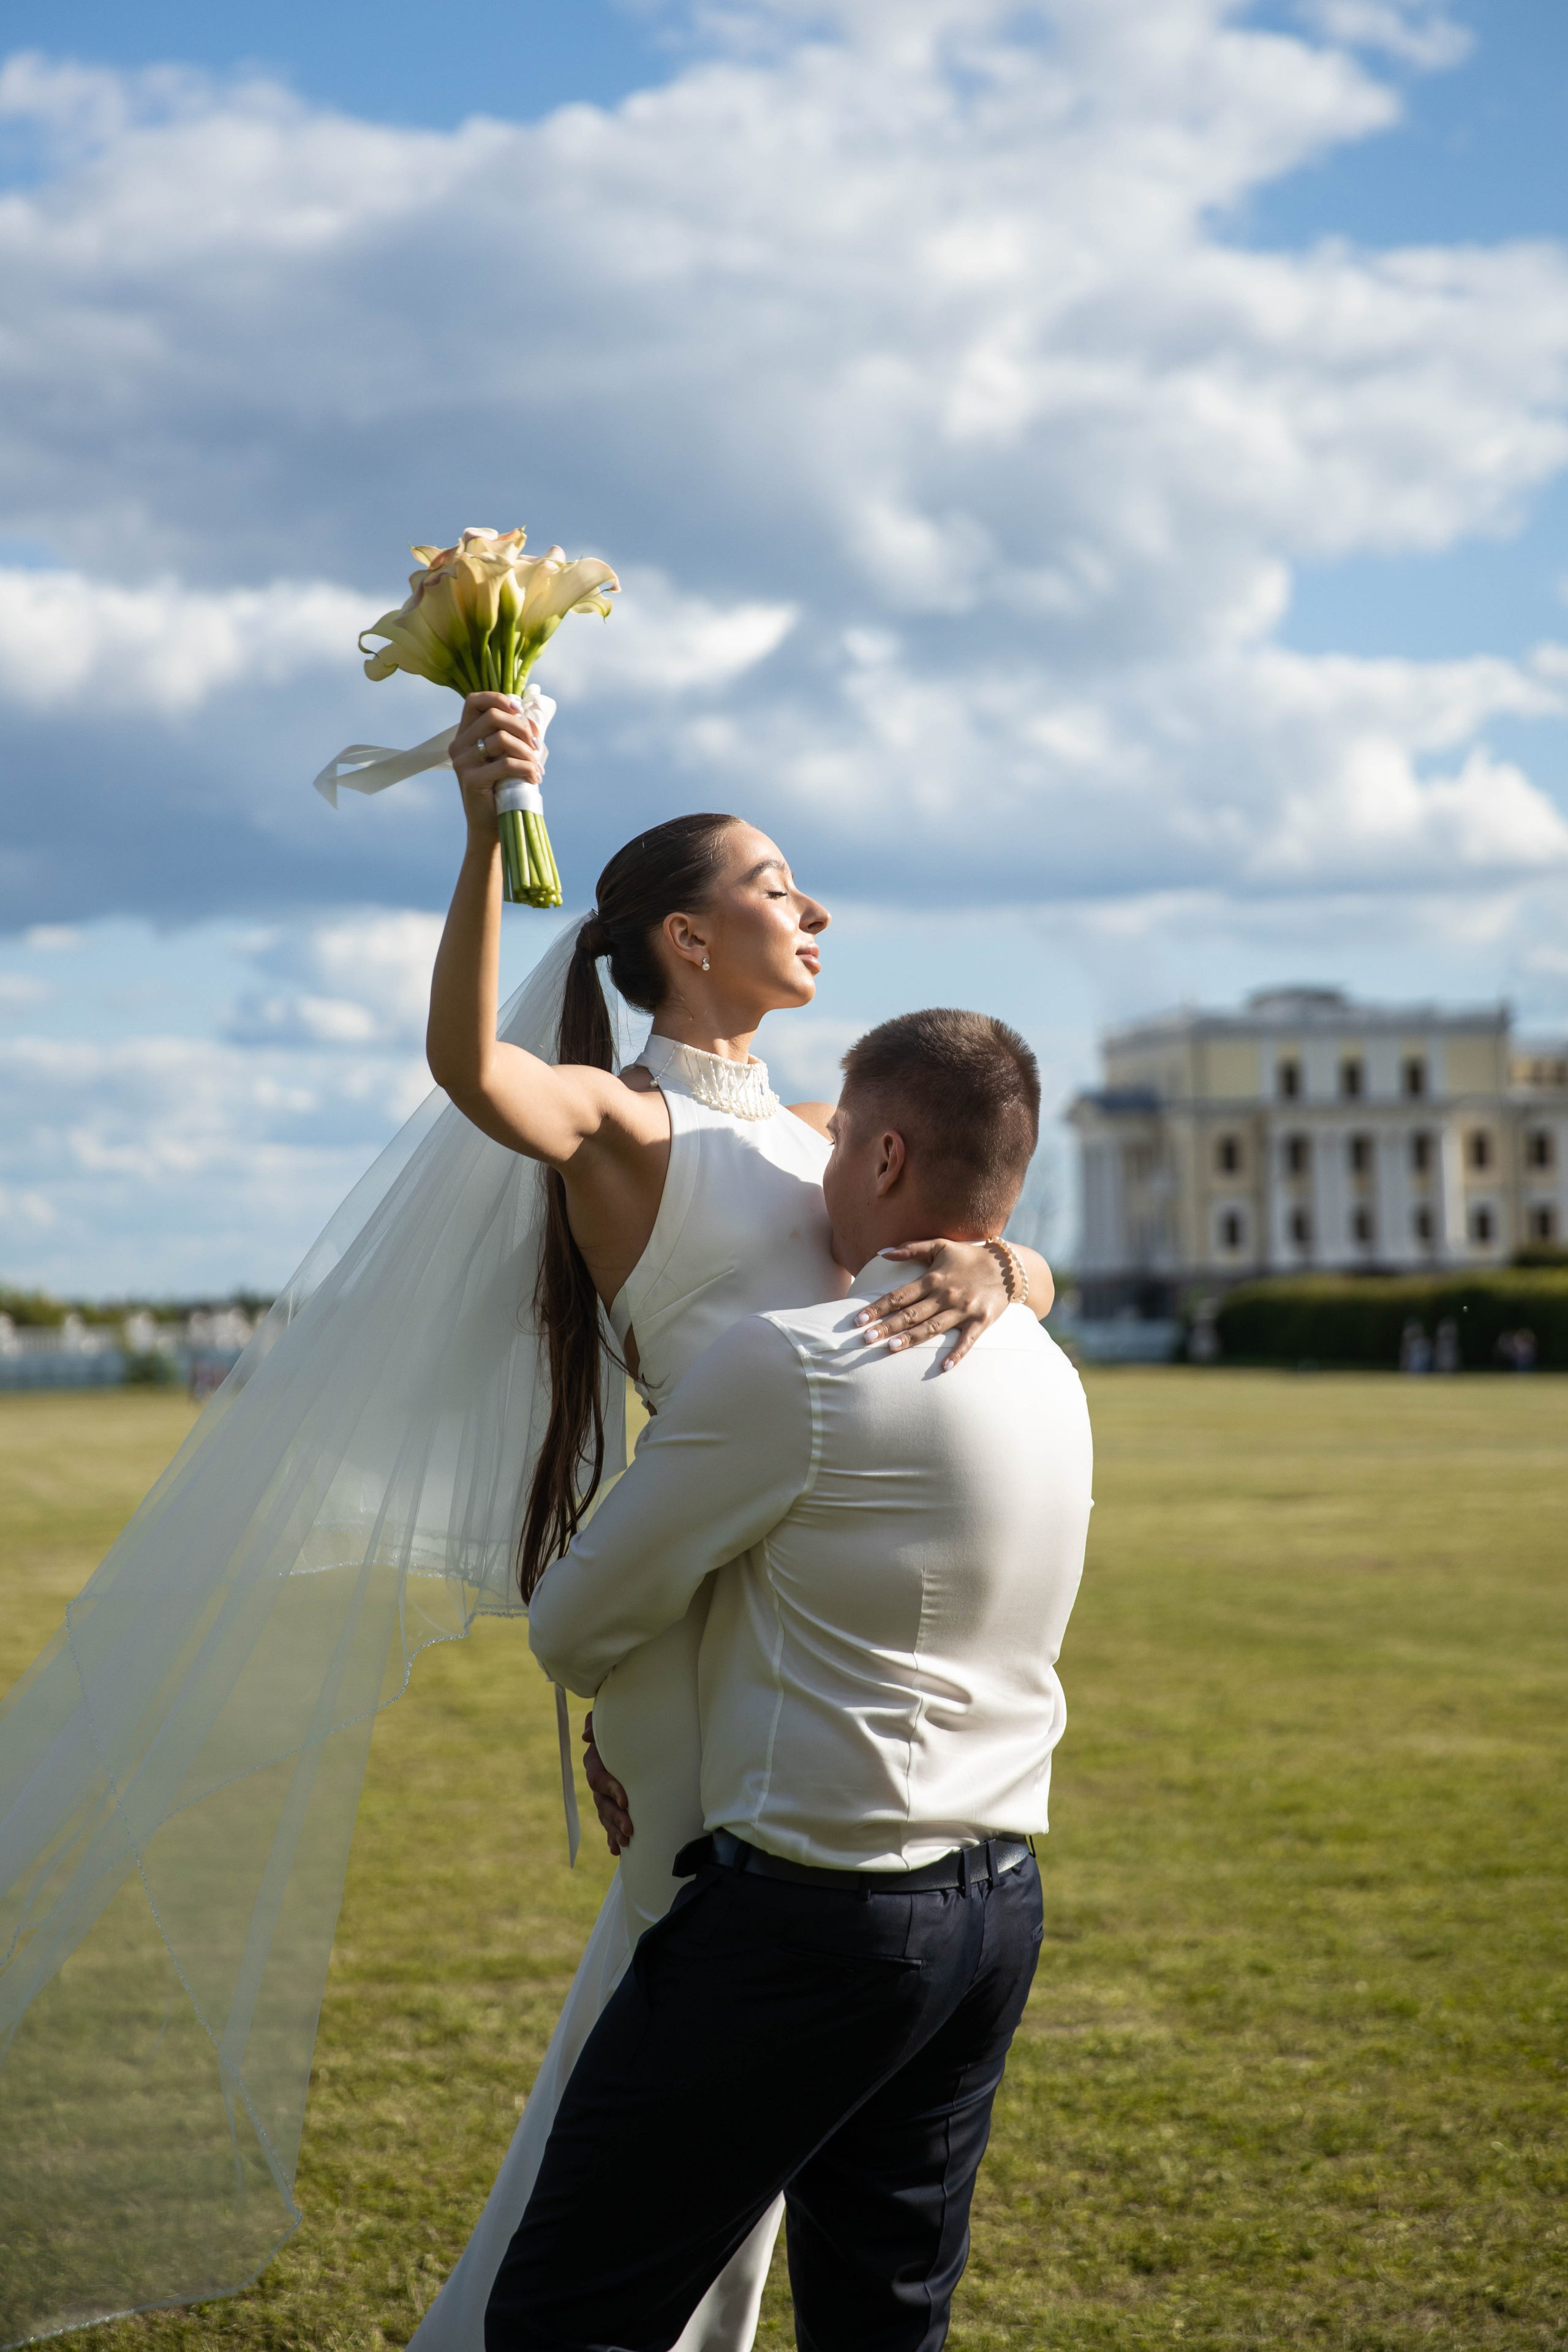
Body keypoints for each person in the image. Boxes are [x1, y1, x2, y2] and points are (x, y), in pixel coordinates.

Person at [409, 693, 1055, 2352]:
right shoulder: (632, 1130)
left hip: (816, 1648)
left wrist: (1005, 1264)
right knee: (691, 2087)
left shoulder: (839, 1137)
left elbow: (986, 1251)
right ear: (688, 939)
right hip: (694, 1659)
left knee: (741, 2110)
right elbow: (474, 1069)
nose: (816, 908)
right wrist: (491, 826)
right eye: (779, 883)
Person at [491, 1008, 1094, 2352]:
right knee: (883, 2321)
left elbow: (574, 1618)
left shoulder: (800, 1362)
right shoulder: (1047, 1369)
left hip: (814, 1922)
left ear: (884, 1157)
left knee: (563, 2312)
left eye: (834, 1134)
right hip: (994, 1910)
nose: (809, 1161)